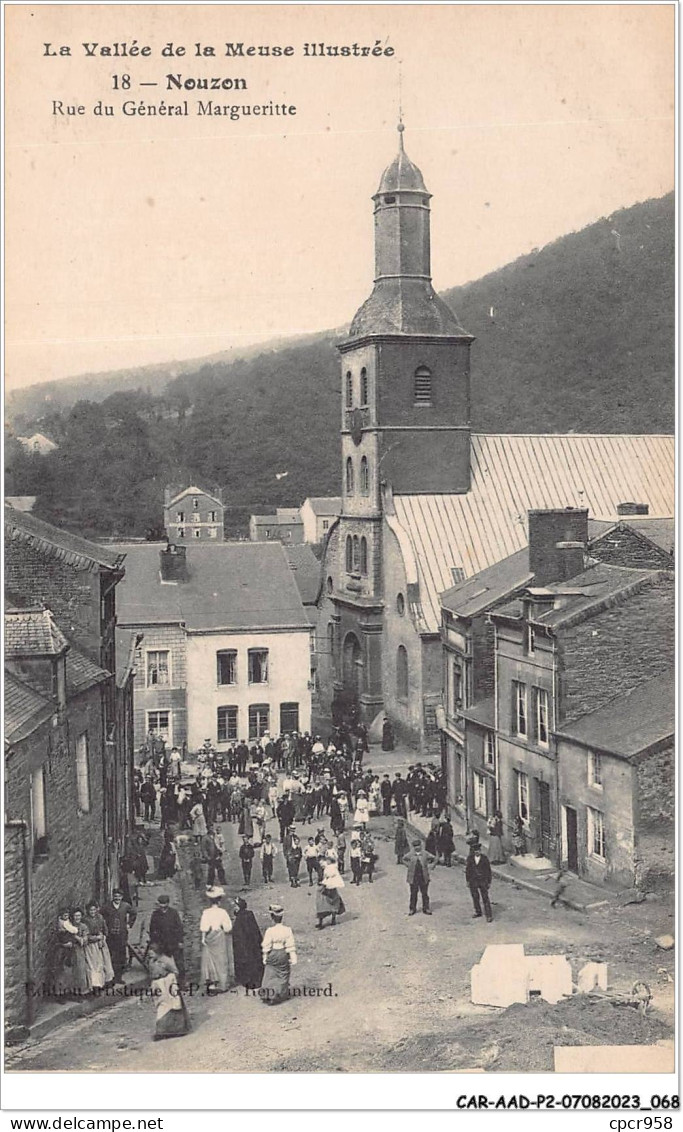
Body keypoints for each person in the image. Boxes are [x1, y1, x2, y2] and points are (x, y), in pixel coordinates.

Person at [148, 943, 190, 1040]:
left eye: (153, 953)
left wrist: (167, 979)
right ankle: (164, 1030)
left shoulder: (166, 960)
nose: (151, 955)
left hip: (167, 987)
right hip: (158, 986)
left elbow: (176, 972)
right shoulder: (151, 961)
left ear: (158, 952)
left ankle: (165, 1031)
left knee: (168, 1007)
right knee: (160, 1006)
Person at [199, 887, 235, 993]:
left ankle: (212, 982)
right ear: (219, 900)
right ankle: (222, 982)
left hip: (210, 936)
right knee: (221, 958)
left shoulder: (206, 912)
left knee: (209, 959)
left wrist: (203, 938)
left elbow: (204, 927)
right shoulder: (222, 912)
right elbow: (228, 927)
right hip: (219, 935)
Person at [261, 904, 297, 1004]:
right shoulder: (287, 930)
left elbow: (266, 946)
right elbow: (290, 945)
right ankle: (279, 994)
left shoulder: (270, 931)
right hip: (282, 953)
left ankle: (268, 994)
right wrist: (293, 958)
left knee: (270, 974)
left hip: (273, 953)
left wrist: (265, 957)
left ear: (272, 917)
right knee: (283, 974)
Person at [100, 889, 136, 983]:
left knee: (121, 956)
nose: (117, 898)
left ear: (122, 897)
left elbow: (133, 913)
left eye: (119, 896)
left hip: (122, 934)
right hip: (111, 935)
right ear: (113, 896)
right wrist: (104, 927)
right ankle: (111, 977)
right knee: (111, 955)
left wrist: (129, 924)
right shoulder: (107, 907)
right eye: (115, 896)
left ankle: (119, 977)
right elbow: (100, 915)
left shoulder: (125, 906)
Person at [149, 894, 185, 982]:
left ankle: (181, 982)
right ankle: (167, 983)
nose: (162, 907)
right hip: (162, 943)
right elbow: (152, 929)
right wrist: (154, 943)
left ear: (168, 904)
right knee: (164, 963)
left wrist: (180, 941)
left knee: (179, 963)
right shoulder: (155, 914)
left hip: (174, 942)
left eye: (164, 905)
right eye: (161, 905)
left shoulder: (173, 913)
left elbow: (179, 928)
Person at [231, 898, 264, 988]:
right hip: (253, 945)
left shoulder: (239, 919)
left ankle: (247, 980)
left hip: (245, 947)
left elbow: (238, 936)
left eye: (235, 906)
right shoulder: (249, 914)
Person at [83, 901, 115, 990]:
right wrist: (96, 938)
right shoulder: (85, 920)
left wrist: (103, 937)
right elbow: (86, 935)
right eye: (90, 910)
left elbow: (105, 930)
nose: (92, 912)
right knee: (94, 965)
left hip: (101, 944)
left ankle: (105, 981)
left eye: (94, 910)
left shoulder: (100, 917)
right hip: (92, 946)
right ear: (87, 911)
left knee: (105, 962)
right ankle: (96, 985)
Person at [403, 838, 436, 916]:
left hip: (423, 877)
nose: (417, 848)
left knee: (425, 893)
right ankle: (412, 909)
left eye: (418, 846)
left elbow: (433, 858)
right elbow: (404, 859)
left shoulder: (425, 853)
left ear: (421, 846)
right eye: (415, 846)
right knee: (413, 893)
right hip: (413, 877)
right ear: (413, 847)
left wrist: (431, 865)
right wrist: (408, 865)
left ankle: (426, 908)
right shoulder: (410, 854)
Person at [466, 844, 493, 922]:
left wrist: (489, 882)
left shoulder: (484, 859)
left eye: (478, 850)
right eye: (475, 851)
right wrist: (468, 880)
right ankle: (478, 911)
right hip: (473, 880)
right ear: (473, 851)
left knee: (485, 897)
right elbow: (468, 870)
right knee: (475, 896)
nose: (477, 852)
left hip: (483, 880)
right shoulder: (470, 858)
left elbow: (488, 871)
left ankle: (489, 915)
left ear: (480, 851)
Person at [69, 909, 92, 993]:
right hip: (70, 950)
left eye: (79, 916)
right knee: (71, 971)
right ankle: (71, 992)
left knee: (81, 970)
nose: (77, 918)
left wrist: (81, 939)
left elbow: (85, 939)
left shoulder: (83, 926)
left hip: (80, 951)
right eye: (75, 916)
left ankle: (81, 991)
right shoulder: (69, 926)